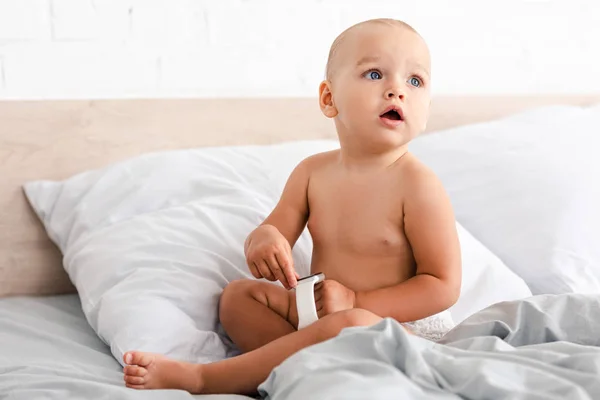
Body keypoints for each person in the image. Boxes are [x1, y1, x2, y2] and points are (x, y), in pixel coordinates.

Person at [122, 17, 462, 395]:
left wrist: (357, 301)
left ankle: (207, 378)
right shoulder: (311, 173)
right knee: (238, 297)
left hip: (397, 329)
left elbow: (442, 285)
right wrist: (264, 240)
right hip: (319, 315)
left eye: (415, 81)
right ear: (329, 98)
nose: (397, 90)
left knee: (345, 325)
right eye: (374, 74)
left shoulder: (418, 184)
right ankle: (297, 368)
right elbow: (275, 229)